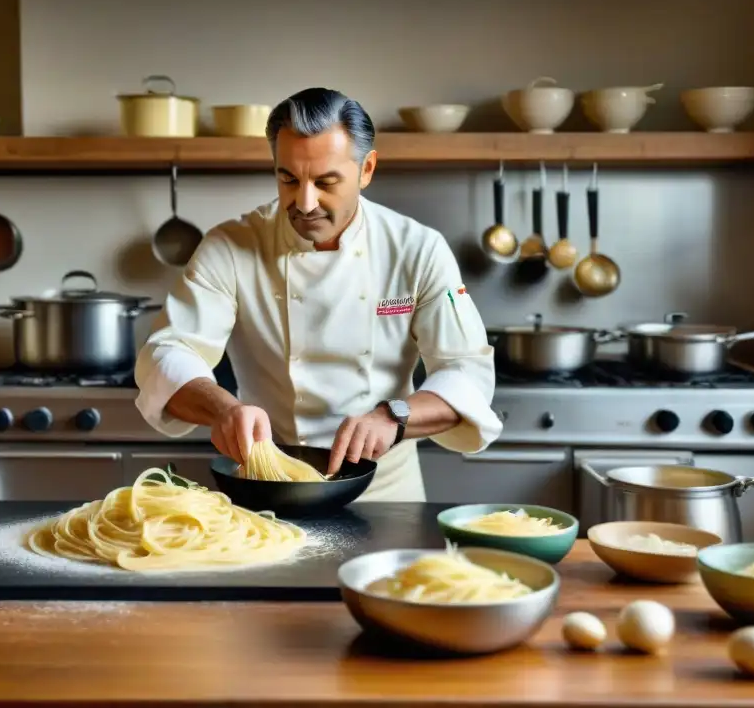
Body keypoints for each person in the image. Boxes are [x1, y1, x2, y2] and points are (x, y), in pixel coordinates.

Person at [134, 87, 502, 501]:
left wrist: (394, 416)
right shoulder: (230, 247)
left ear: (367, 170)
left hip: (385, 493)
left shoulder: (417, 249)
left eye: (327, 182)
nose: (305, 203)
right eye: (288, 179)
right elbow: (168, 351)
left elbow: (467, 370)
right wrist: (224, 409)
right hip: (268, 483)